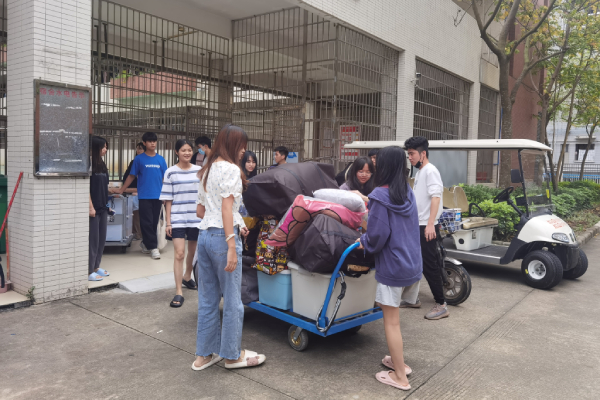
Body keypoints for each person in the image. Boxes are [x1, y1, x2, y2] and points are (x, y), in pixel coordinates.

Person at [192, 124, 266, 371]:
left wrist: (237, 224)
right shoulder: (232, 169)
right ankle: (232, 356)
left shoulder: (207, 169)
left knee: (208, 300)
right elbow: (225, 208)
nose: (244, 151)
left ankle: (204, 356)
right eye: (242, 146)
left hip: (204, 236)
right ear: (233, 144)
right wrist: (232, 244)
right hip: (222, 240)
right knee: (233, 301)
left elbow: (201, 211)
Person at [356, 146, 422, 391]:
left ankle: (400, 376)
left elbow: (377, 236)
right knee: (395, 319)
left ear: (383, 167)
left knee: (391, 322)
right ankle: (398, 362)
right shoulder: (407, 192)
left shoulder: (379, 196)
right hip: (412, 263)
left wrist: (363, 241)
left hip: (393, 266)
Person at [404, 136, 447, 320]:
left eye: (412, 153)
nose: (410, 157)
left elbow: (436, 197)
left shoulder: (430, 171)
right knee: (415, 262)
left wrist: (430, 224)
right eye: (408, 154)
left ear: (423, 153)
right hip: (419, 225)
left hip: (426, 227)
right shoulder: (420, 172)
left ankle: (441, 305)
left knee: (430, 266)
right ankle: (411, 299)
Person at [160, 139, 202, 308]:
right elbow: (168, 200)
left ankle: (187, 276)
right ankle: (178, 292)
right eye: (183, 150)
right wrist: (168, 223)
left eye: (189, 150)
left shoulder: (199, 171)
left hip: (196, 219)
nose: (187, 153)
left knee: (192, 252)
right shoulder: (170, 172)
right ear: (177, 152)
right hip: (177, 219)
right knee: (179, 253)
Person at [116, 131, 168, 260]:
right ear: (144, 143)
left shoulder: (161, 159)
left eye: (154, 141)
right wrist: (122, 189)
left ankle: (145, 243)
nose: (152, 143)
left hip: (158, 196)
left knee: (154, 222)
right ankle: (153, 247)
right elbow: (132, 175)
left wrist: (166, 195)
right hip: (144, 196)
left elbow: (165, 179)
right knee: (146, 222)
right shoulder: (139, 159)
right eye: (150, 141)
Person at [89, 136, 111, 281]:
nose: (105, 149)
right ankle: (89, 270)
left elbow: (104, 186)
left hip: (103, 207)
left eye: (106, 147)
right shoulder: (88, 164)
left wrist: (108, 205)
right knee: (93, 240)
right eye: (103, 147)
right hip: (94, 209)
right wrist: (90, 207)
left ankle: (96, 266)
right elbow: (86, 188)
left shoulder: (102, 164)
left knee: (102, 239)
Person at [122, 142, 145, 240]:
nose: (139, 151)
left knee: (138, 214)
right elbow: (129, 176)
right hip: (133, 192)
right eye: (137, 148)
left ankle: (138, 233)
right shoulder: (134, 161)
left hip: (140, 192)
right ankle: (137, 233)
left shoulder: (143, 162)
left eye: (141, 148)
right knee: (135, 214)